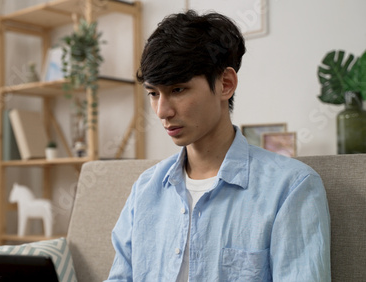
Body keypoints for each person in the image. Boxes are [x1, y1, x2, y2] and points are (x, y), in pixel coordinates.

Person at [105, 10, 331, 282]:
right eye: (154, 93)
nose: (162, 111)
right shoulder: (145, 190)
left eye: (178, 90)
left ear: (226, 84)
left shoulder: (291, 187)